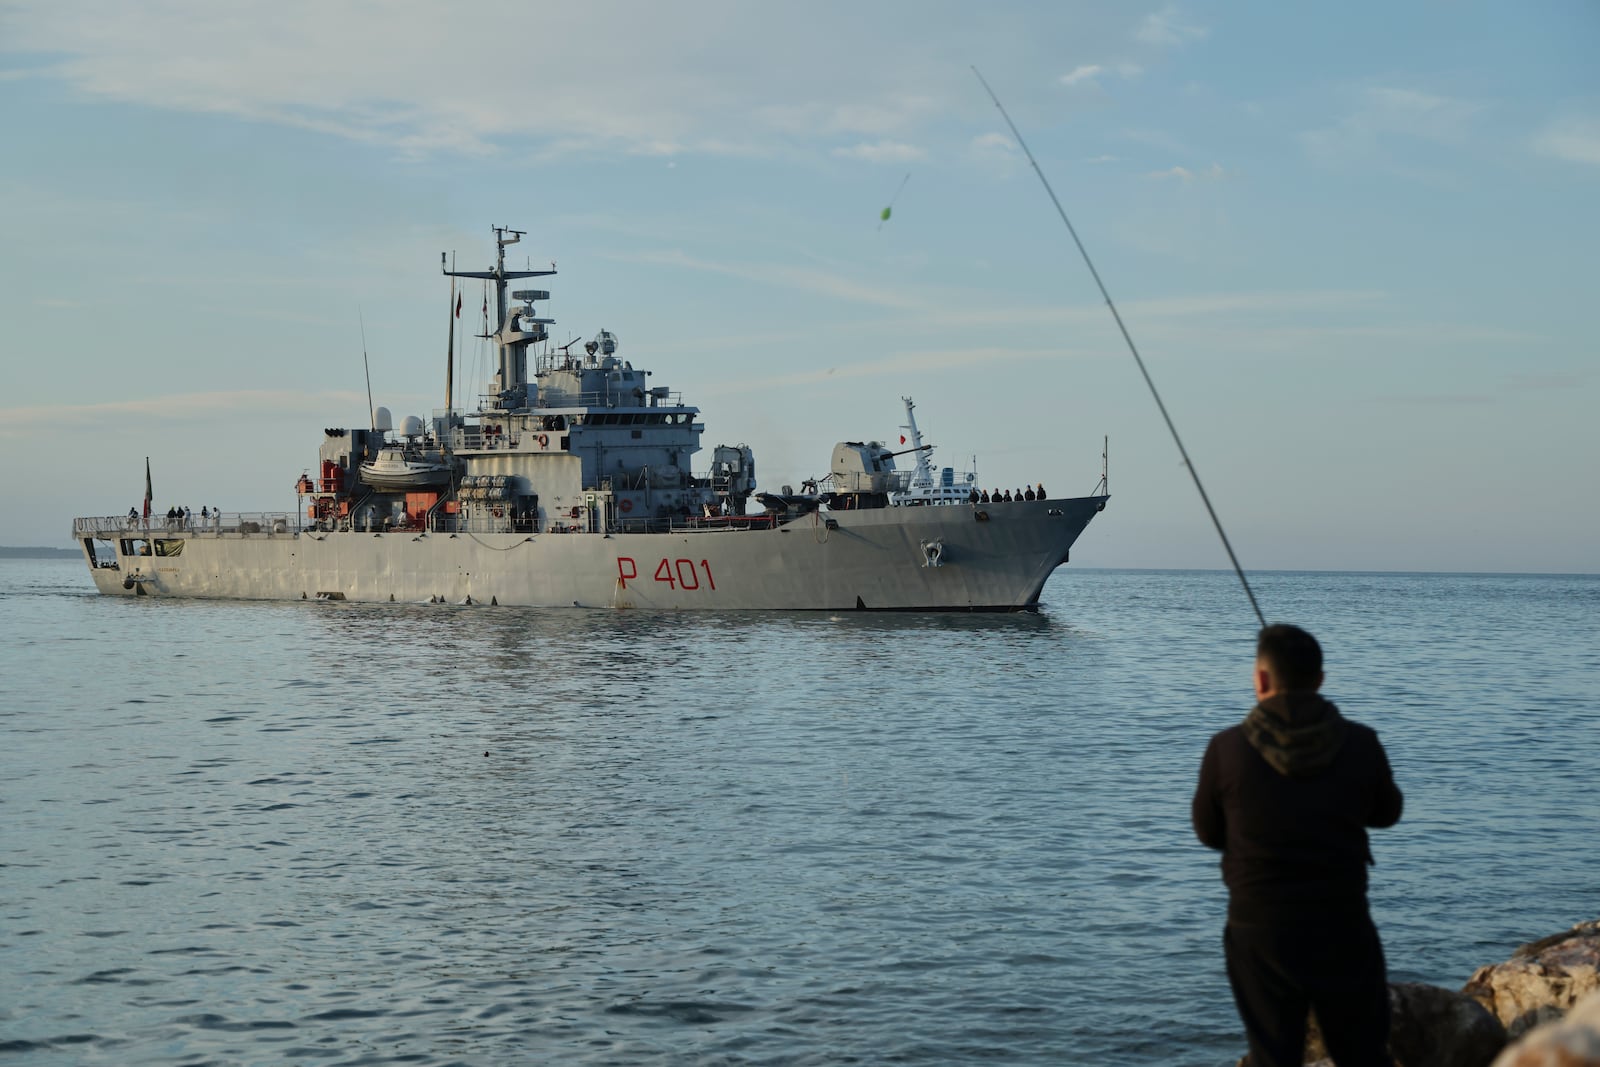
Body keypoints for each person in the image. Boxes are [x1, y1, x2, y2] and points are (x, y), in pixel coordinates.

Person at [1193, 624, 1403, 1067]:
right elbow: (1387, 813)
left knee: (1274, 1056)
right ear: (1320, 680)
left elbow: (1209, 834)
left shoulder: (1226, 748)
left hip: (1259, 927)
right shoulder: (1360, 742)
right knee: (1363, 1052)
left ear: (1262, 680)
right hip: (1342, 920)